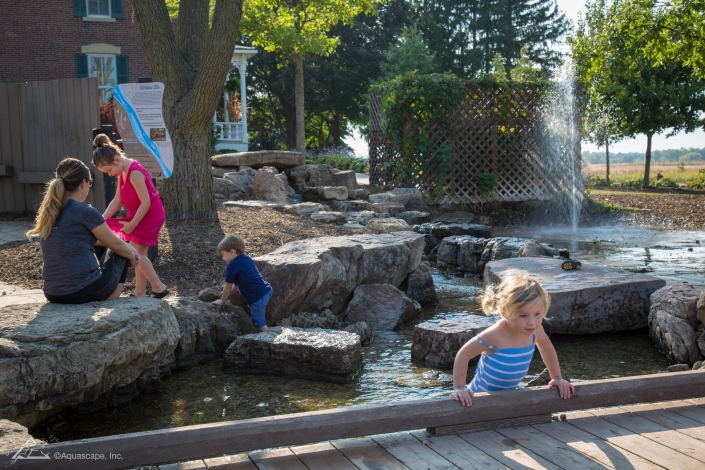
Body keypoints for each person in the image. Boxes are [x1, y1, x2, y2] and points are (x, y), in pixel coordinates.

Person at [453, 269, 574, 406]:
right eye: (523, 315)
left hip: (508, 397)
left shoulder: (536, 331)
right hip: (477, 400)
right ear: (505, 312)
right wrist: (460, 388)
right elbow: (463, 354)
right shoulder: (495, 335)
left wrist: (557, 377)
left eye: (537, 314)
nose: (532, 322)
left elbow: (546, 349)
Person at [27, 158, 141, 304]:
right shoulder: (85, 212)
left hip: (52, 293)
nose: (89, 186)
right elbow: (117, 245)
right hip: (82, 291)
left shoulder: (50, 211)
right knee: (122, 247)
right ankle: (112, 298)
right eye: (90, 182)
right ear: (83, 182)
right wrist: (132, 255)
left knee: (104, 245)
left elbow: (92, 240)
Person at [92, 134, 169, 298]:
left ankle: (159, 287)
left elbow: (146, 202)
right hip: (139, 214)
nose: (110, 174)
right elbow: (117, 200)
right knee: (139, 253)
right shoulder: (122, 173)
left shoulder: (134, 172)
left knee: (136, 253)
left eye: (109, 170)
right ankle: (139, 291)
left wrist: (132, 224)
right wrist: (101, 219)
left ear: (117, 160)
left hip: (149, 214)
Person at [212, 235, 273, 332]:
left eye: (223, 254)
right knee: (256, 313)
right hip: (267, 290)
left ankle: (270, 338)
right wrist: (229, 291)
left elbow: (227, 287)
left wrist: (222, 301)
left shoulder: (232, 266)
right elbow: (243, 280)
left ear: (232, 252)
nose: (222, 258)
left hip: (257, 298)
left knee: (258, 323)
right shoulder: (246, 258)